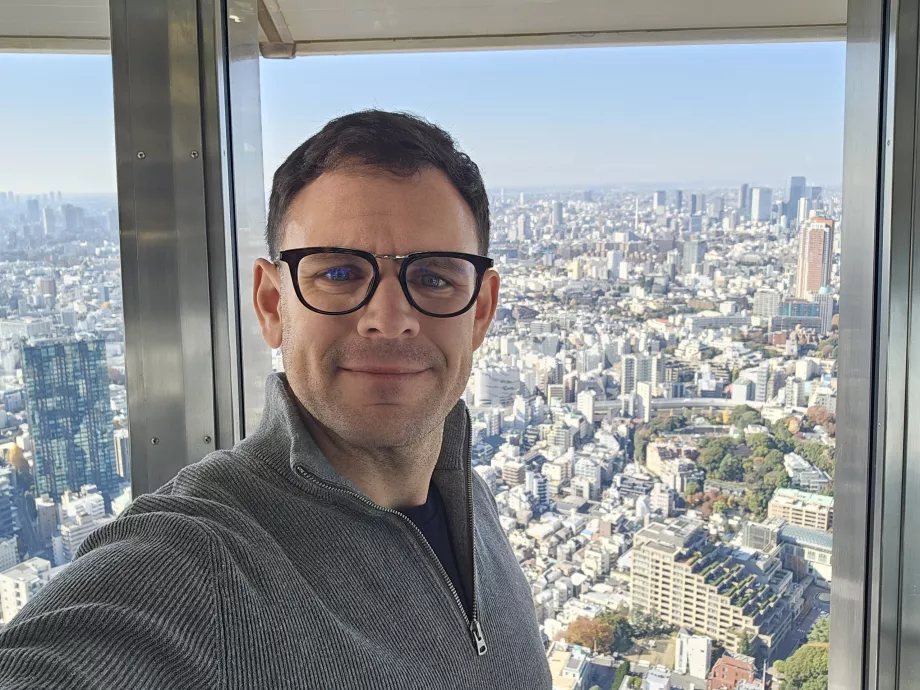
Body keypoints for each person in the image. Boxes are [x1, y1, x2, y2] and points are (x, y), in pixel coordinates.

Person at [0, 110, 553, 689]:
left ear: (482, 310)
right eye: (339, 272)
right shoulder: (205, 559)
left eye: (436, 278)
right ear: (270, 304)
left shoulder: (466, 490)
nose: (389, 321)